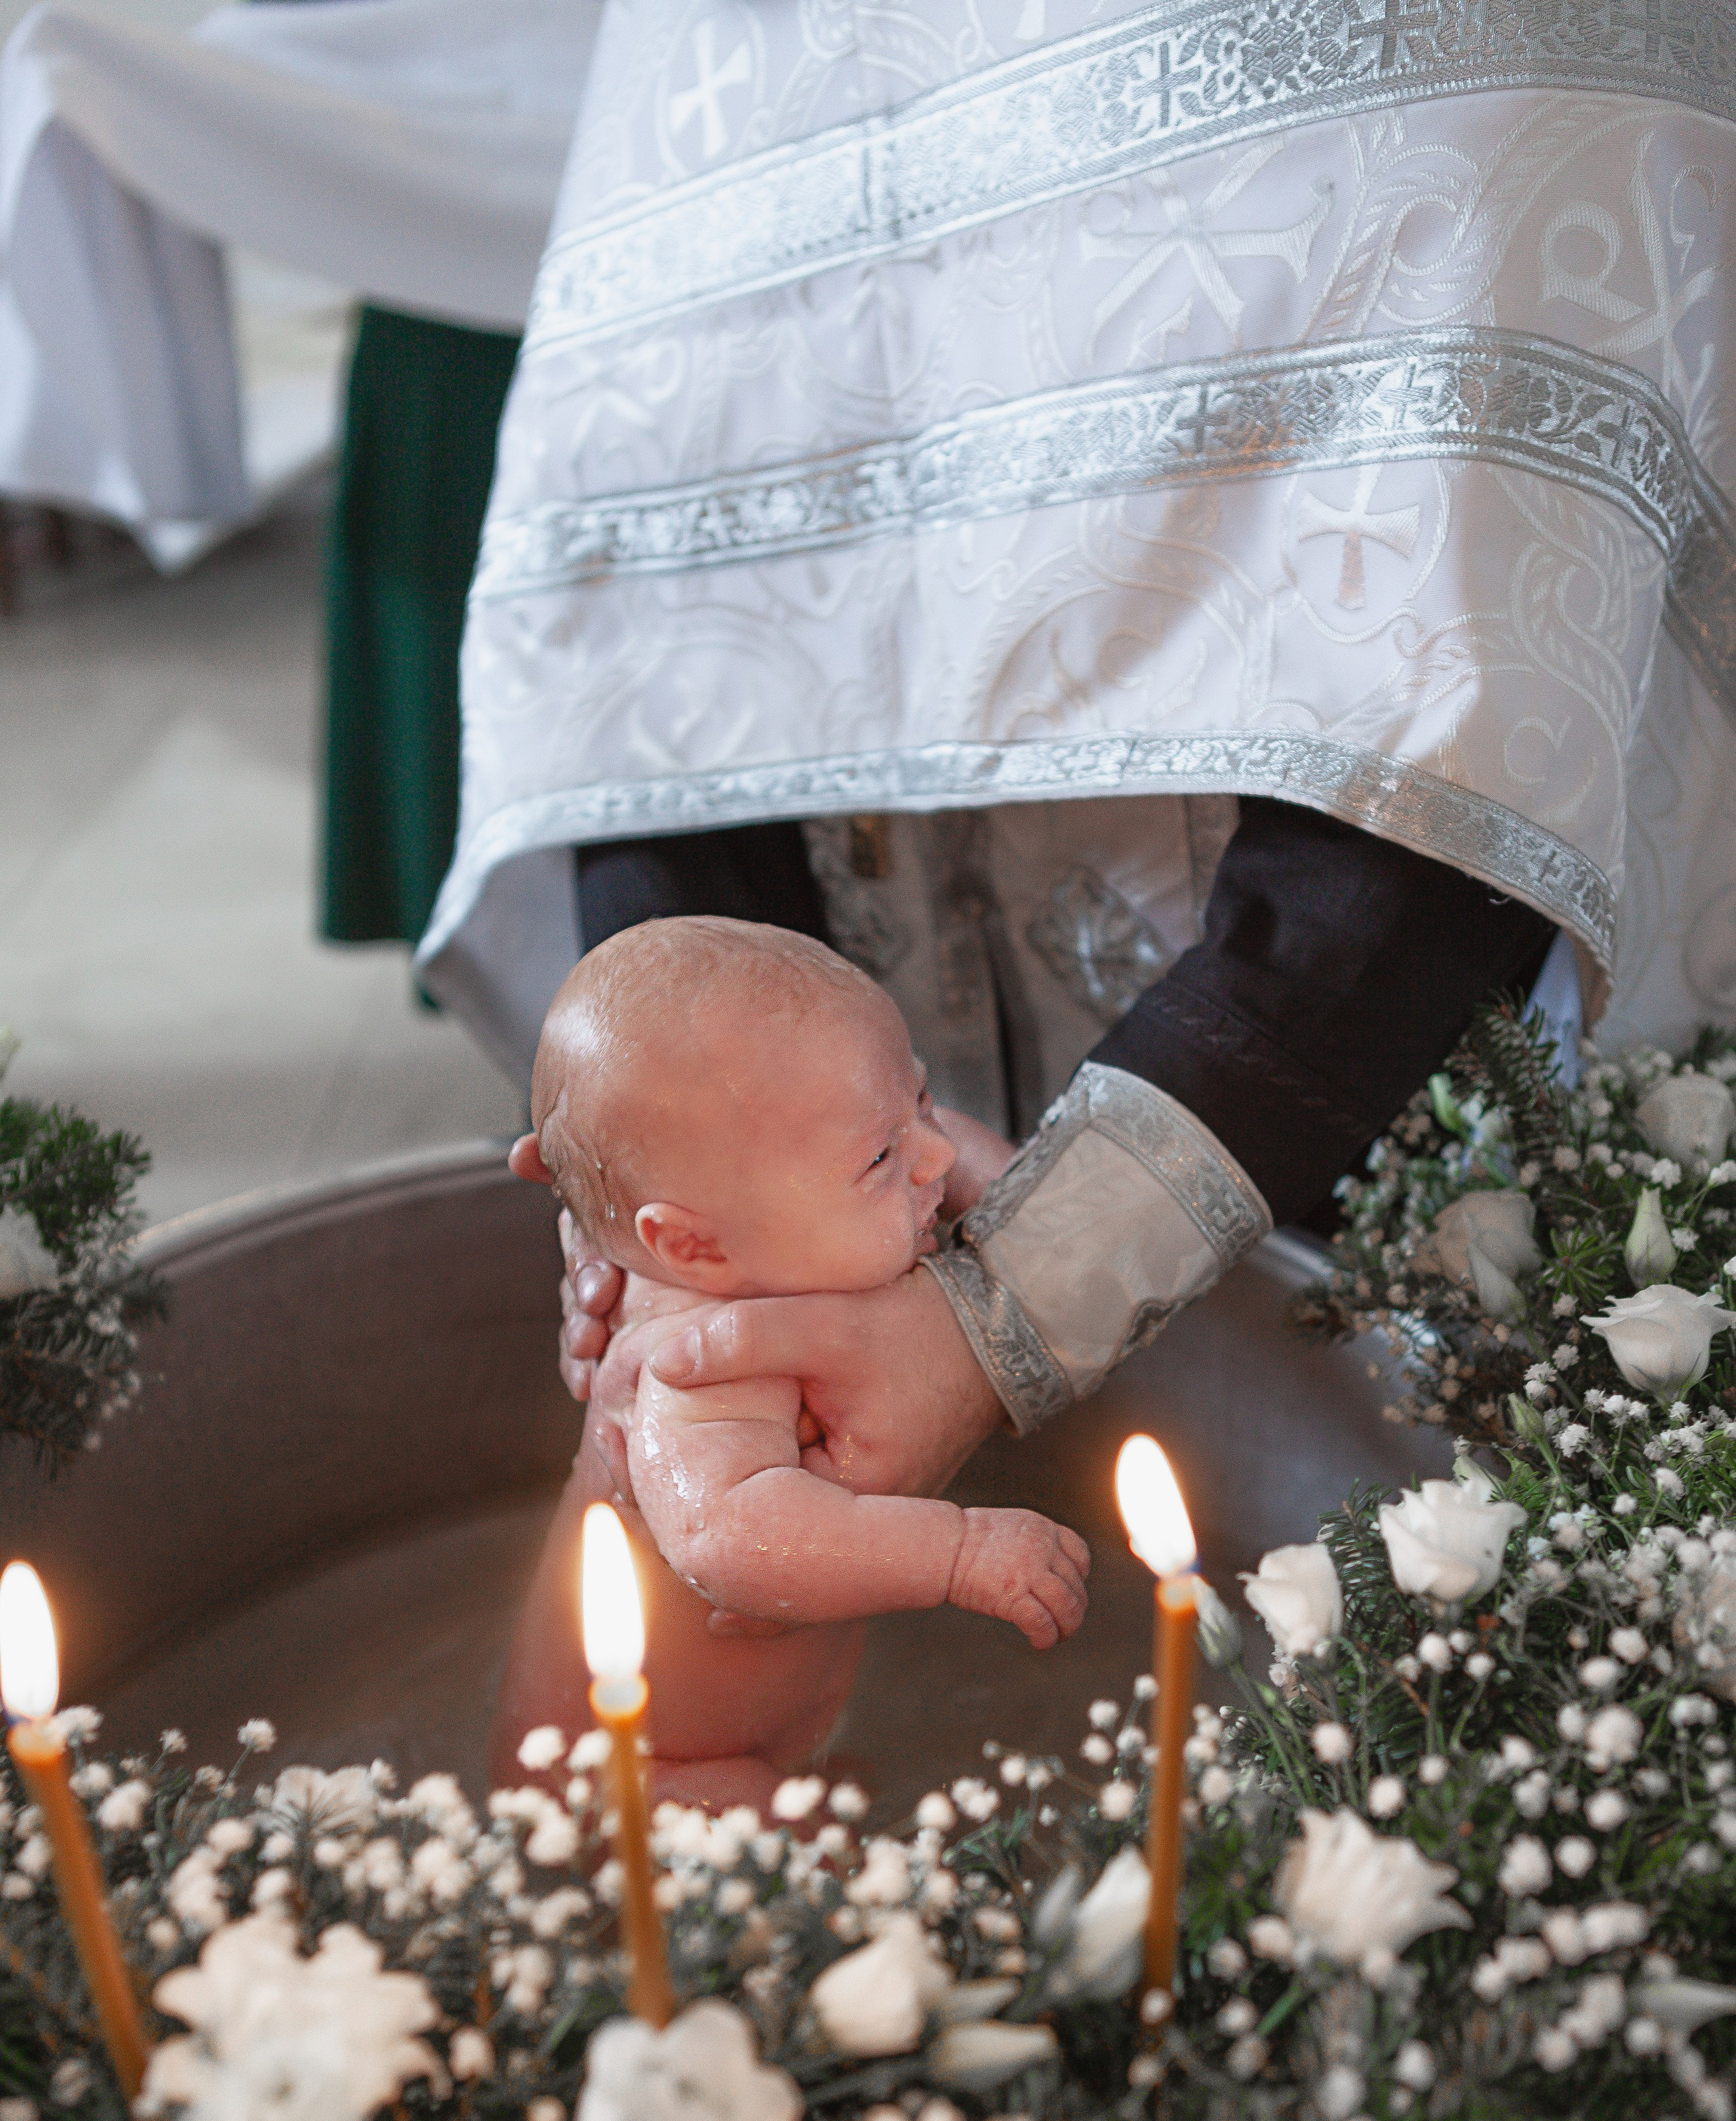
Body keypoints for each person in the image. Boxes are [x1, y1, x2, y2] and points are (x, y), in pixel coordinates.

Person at [416, 0, 1736, 1499]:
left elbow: (1457, 718)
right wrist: (699, 1204)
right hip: (840, 1107)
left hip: (1370, 1079)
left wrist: (1007, 1310)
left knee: (1419, 1565)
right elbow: (669, 610)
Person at [493, 918, 1089, 1809]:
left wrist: (985, 1183)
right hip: (629, 1781)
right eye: (884, 1155)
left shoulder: (789, 1222)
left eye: (920, 1100)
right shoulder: (693, 1362)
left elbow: (961, 1161)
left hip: (749, 1748)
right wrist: (958, 1551)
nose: (937, 1154)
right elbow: (727, 1536)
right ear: (691, 1245)